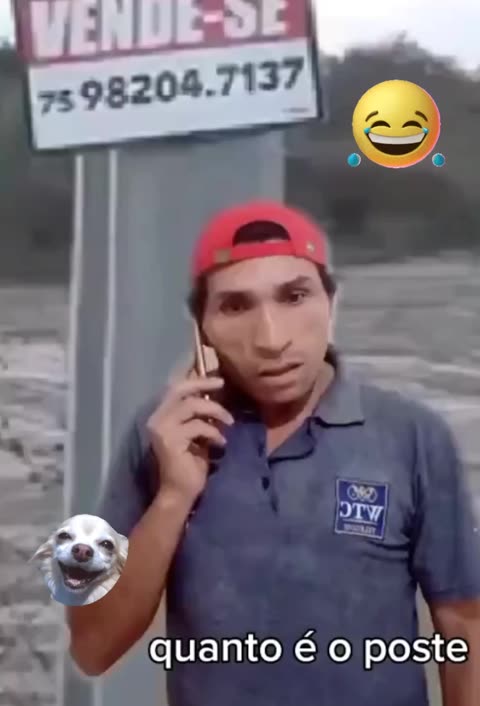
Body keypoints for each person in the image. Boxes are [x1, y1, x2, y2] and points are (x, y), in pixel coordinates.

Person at [67, 200, 480, 706]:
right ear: (200, 327)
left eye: (295, 296)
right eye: (235, 306)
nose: (271, 339)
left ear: (331, 302)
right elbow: (91, 648)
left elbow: (464, 623)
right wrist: (174, 496)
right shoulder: (159, 432)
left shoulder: (413, 435)